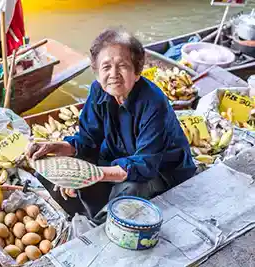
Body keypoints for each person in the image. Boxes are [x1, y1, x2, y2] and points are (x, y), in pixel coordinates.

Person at [27, 26, 197, 224]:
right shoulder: (99, 91)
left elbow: (144, 165)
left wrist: (92, 174)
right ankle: (82, 216)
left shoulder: (153, 103)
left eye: (122, 66)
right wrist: (58, 147)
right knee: (50, 170)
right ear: (97, 72)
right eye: (106, 67)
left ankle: (103, 227)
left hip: (162, 170)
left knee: (130, 189)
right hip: (120, 158)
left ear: (137, 70)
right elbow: (87, 140)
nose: (114, 74)